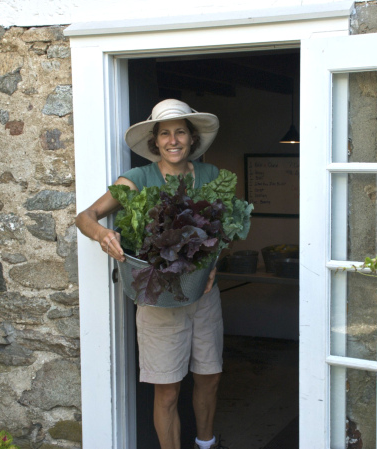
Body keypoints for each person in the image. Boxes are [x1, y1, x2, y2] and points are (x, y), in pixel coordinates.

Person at [75, 99, 227, 449]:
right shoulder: (138, 179)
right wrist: (103, 234)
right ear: (155, 142)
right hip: (159, 299)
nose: (173, 140)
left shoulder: (211, 176)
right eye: (165, 134)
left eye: (180, 132)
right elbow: (85, 217)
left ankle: (206, 444)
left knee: (210, 377)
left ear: (192, 138)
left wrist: (216, 262)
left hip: (204, 295)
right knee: (168, 391)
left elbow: (224, 230)